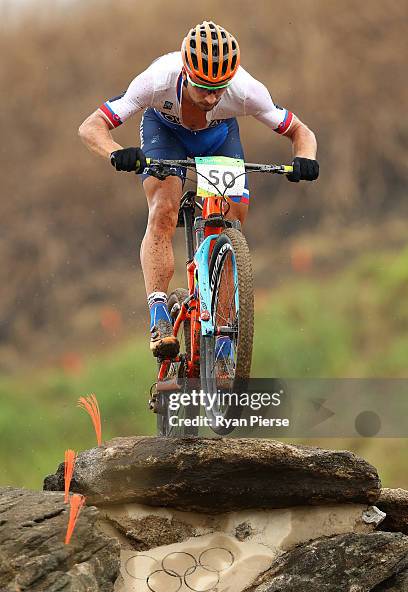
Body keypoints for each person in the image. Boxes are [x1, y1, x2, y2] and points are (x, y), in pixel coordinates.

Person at [78, 20, 319, 360]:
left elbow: (301, 131)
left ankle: (223, 325)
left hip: (219, 139)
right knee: (164, 207)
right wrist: (117, 152)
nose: (211, 96)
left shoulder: (246, 91)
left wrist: (304, 158)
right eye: (203, 87)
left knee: (230, 222)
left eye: (219, 88)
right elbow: (91, 127)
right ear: (185, 71)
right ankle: (159, 314)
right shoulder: (157, 80)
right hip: (166, 135)